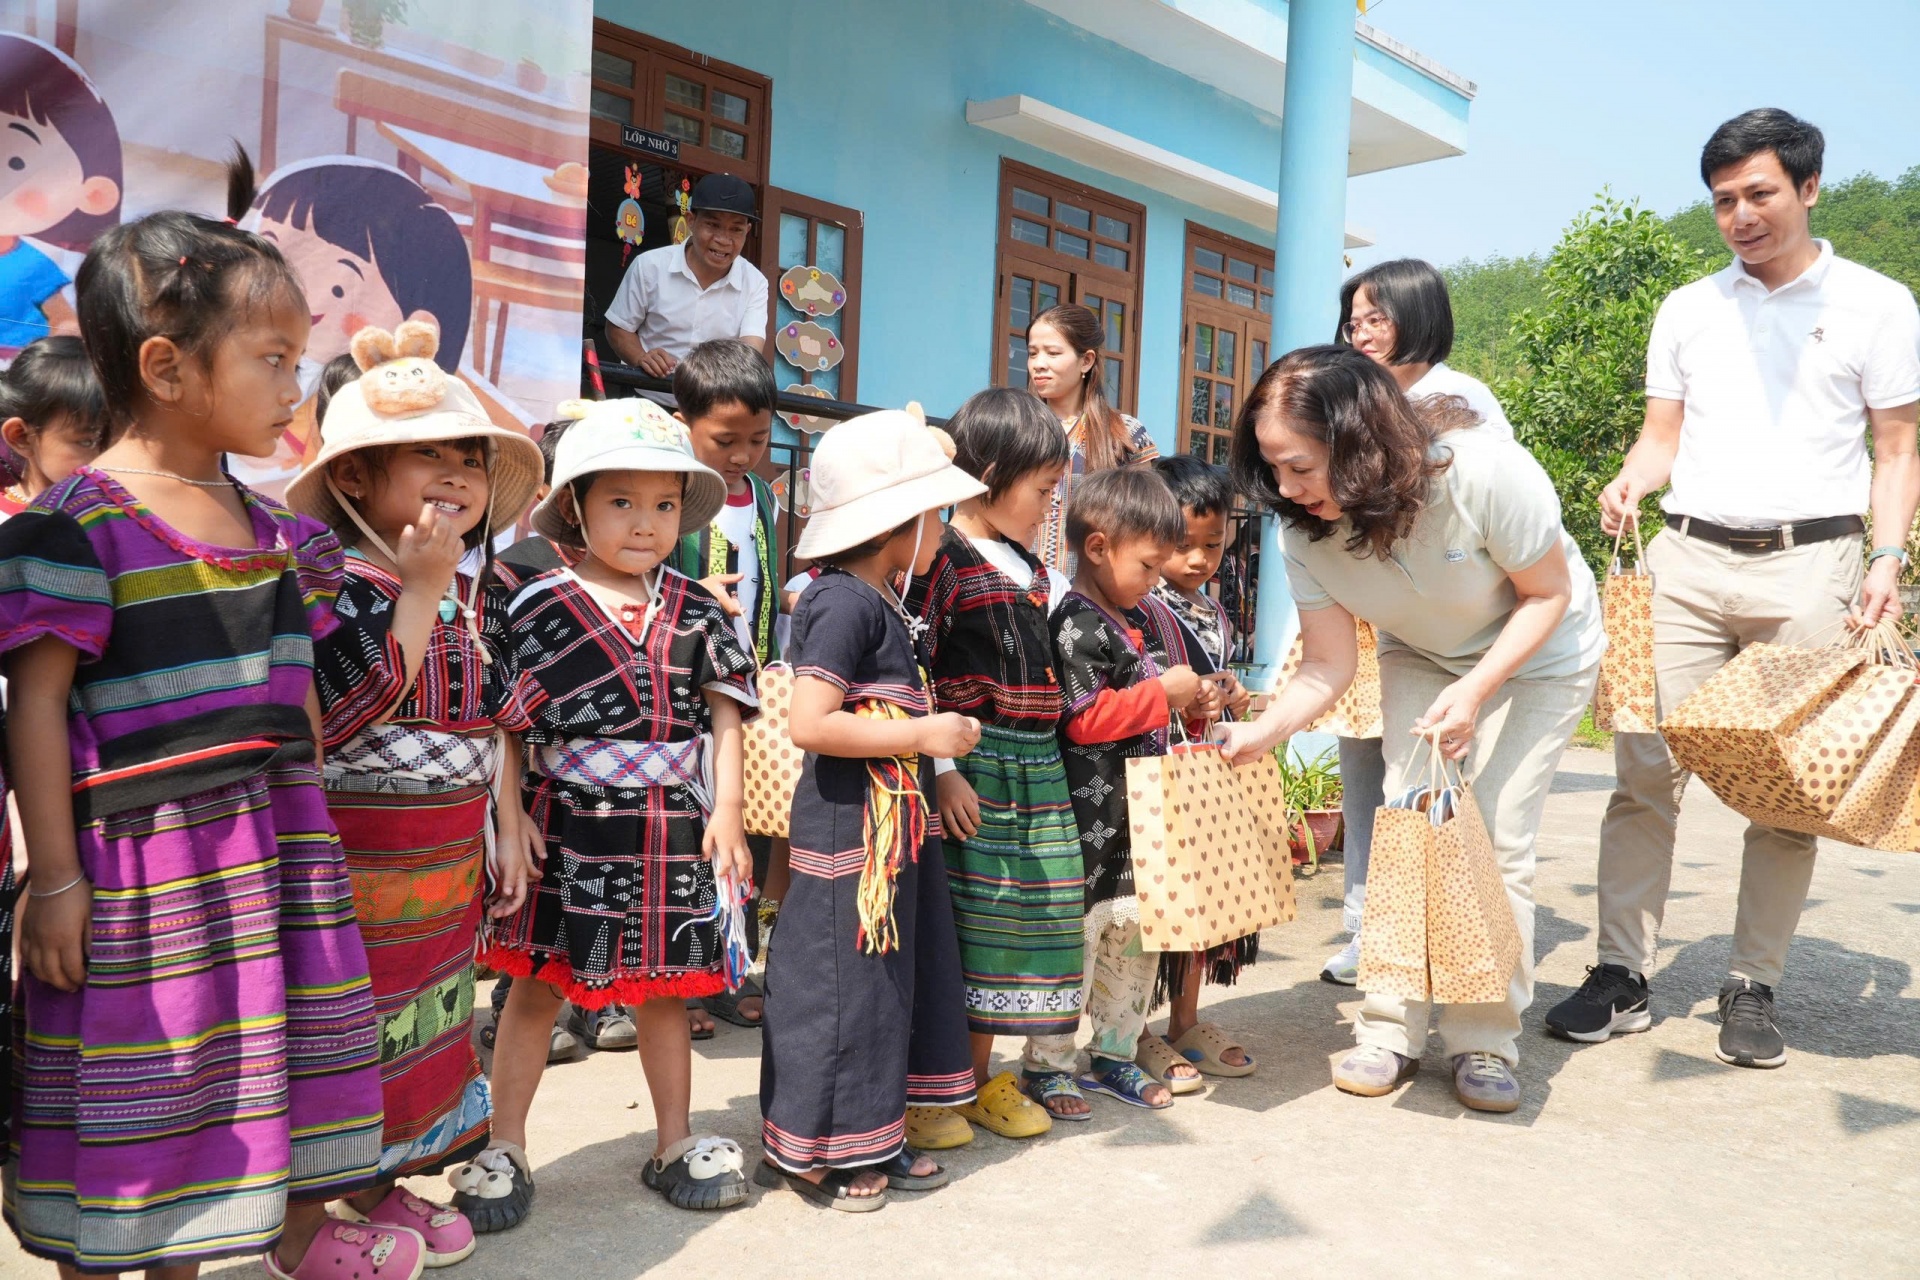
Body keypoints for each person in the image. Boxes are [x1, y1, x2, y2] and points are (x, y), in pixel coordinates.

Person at [0, 183, 403, 1276]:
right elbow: (36, 707)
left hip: (269, 857)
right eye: (272, 360)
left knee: (224, 1106)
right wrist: (53, 881)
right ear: (168, 369)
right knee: (132, 1094)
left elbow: (303, 707)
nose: (292, 387)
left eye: (297, 360)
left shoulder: (278, 534)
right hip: (138, 875)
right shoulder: (75, 529)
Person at [1547, 109, 1920, 1070]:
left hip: (1814, 563)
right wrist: (1632, 480)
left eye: (1758, 194)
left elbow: (1896, 450)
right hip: (1687, 561)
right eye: (1723, 201)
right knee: (1642, 767)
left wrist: (1887, 559)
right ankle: (1622, 974)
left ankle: (1752, 983)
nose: (1740, 216)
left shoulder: (1879, 305)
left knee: (1786, 786)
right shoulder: (1689, 308)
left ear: (1808, 187)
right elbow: (1661, 438)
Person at [1220, 345, 1603, 1114]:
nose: (1286, 488)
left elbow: (1545, 594)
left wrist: (1477, 688)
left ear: (1359, 444)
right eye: (1273, 468)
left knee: (1493, 834)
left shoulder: (1485, 474)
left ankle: (1483, 1039)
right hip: (1423, 655)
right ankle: (1389, 1028)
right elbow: (1326, 664)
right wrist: (1263, 732)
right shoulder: (1304, 534)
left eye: (1301, 466)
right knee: (1409, 823)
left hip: (1538, 655)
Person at [292, 318, 546, 1265]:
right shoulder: (330, 579)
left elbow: (497, 718)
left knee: (421, 1025)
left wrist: (506, 823)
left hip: (442, 872)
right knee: (340, 1031)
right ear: (356, 476)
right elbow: (350, 705)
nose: (457, 476)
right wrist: (418, 587)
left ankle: (380, 1178)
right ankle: (302, 1216)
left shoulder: (470, 597)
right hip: (354, 873)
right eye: (428, 455)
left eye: (470, 459)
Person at [478, 397, 757, 1221]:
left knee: (665, 989)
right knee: (534, 989)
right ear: (575, 504)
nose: (645, 523)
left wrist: (729, 810)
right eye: (622, 501)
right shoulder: (530, 600)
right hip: (562, 821)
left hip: (671, 823)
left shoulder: (699, 607)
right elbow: (506, 725)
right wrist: (508, 820)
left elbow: (726, 715)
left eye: (665, 505)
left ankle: (673, 1140)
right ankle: (505, 1146)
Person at [757, 408, 982, 1210]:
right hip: (850, 832)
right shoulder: (845, 602)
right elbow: (810, 722)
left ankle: (869, 1137)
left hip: (887, 831)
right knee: (841, 986)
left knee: (879, 984)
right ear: (897, 524)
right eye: (934, 514)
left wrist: (932, 753)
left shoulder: (878, 599)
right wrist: (924, 733)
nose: (942, 531)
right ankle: (821, 1150)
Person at [1321, 257, 1516, 986]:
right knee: (1364, 776)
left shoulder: (1460, 398)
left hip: (1444, 626)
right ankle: (1366, 926)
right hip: (1366, 615)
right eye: (1354, 321)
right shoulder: (1348, 397)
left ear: (1419, 317)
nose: (1362, 333)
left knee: (1438, 781)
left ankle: (1451, 933)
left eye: (1378, 318)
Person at [906, 387, 1084, 1129]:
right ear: (988, 477)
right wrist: (944, 773)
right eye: (1042, 490)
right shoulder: (940, 561)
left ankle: (980, 1081)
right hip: (974, 769)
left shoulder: (1032, 571)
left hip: (1038, 771)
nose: (1050, 507)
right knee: (972, 925)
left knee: (1024, 923)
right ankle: (943, 1087)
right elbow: (917, 670)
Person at [1048, 466, 1218, 1111]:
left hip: (1136, 822)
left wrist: (1192, 702)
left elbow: (1145, 712)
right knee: (1078, 945)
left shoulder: (1127, 618)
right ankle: (1049, 1066)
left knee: (1134, 944)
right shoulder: (1075, 623)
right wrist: (1161, 694)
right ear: (1098, 548)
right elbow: (1083, 718)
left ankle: (1114, 1055)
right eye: (1148, 565)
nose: (1155, 580)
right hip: (1090, 823)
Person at [670, 339, 783, 1035]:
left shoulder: (764, 497)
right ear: (682, 423)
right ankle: (678, 981)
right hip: (680, 694)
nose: (743, 455)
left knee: (740, 836)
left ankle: (725, 971)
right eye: (725, 440)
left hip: (746, 690)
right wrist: (695, 591)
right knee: (689, 836)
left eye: (758, 440)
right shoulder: (673, 490)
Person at [1140, 453, 1258, 1082]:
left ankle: (1185, 1021)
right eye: (1183, 544)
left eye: (1212, 544)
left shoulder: (1211, 610)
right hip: (1153, 774)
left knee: (1201, 899)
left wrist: (1231, 693)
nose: (1198, 560)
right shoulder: (1139, 606)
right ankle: (1131, 1032)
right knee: (1150, 906)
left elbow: (1215, 678)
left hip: (1205, 774)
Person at [0, 34, 122, 355]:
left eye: (17, 162)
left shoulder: (33, 263)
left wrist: (61, 357)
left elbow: (64, 321)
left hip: (22, 367)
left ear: (93, 192)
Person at [1024, 302, 1158, 573]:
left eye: (1052, 353)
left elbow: (1145, 521)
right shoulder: (1018, 427)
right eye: (1032, 353)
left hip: (1092, 586)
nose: (1038, 364)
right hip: (1021, 584)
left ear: (1086, 360)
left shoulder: (1125, 433)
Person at [604, 174, 768, 376]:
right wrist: (641, 357)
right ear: (691, 220)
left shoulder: (755, 283)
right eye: (713, 225)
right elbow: (618, 328)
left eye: (736, 229)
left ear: (747, 231)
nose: (723, 239)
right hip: (647, 391)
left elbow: (750, 351)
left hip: (714, 396)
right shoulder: (649, 266)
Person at [0, 334, 103, 517]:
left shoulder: (135, 515)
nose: (111, 457)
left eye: (119, 440)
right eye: (88, 442)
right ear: (21, 436)